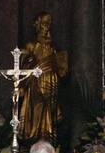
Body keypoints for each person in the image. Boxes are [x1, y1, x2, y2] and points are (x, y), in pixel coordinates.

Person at [17, 12, 68, 142]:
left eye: (49, 24)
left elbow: (61, 67)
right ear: (38, 25)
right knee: (37, 109)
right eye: (45, 24)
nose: (47, 27)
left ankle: (48, 137)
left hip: (51, 81)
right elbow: (23, 66)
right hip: (35, 82)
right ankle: (35, 137)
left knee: (50, 111)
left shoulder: (53, 47)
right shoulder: (31, 46)